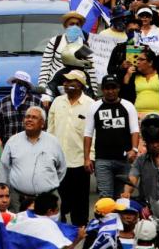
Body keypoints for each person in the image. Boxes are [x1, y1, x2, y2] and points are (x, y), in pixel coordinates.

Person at [47, 70, 95, 226]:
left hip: (80, 160)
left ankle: (80, 227)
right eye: (65, 82)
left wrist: (90, 157)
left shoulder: (91, 105)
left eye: (70, 82)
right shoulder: (57, 102)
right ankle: (61, 220)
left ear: (80, 85)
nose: (66, 85)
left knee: (80, 198)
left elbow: (95, 134)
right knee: (62, 196)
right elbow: (50, 130)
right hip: (59, 160)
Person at [0, 106, 66, 211]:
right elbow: (4, 167)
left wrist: (47, 184)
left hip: (48, 200)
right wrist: (3, 194)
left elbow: (61, 169)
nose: (29, 119)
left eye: (34, 117)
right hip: (19, 200)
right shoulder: (13, 141)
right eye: (27, 117)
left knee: (48, 227)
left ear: (42, 123)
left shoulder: (53, 142)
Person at [84, 75, 140, 199]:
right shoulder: (94, 106)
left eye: (113, 88)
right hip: (102, 159)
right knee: (105, 197)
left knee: (122, 197)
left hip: (124, 160)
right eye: (107, 88)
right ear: (102, 90)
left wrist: (134, 150)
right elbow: (88, 133)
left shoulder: (128, 106)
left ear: (118, 88)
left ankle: (120, 219)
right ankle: (106, 219)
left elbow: (135, 130)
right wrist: (87, 158)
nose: (110, 91)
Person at [0, 71, 43, 151]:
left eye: (23, 84)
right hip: (9, 146)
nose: (19, 86)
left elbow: (43, 124)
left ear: (27, 87)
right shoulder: (4, 102)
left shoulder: (36, 102)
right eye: (16, 83)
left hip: (31, 146)